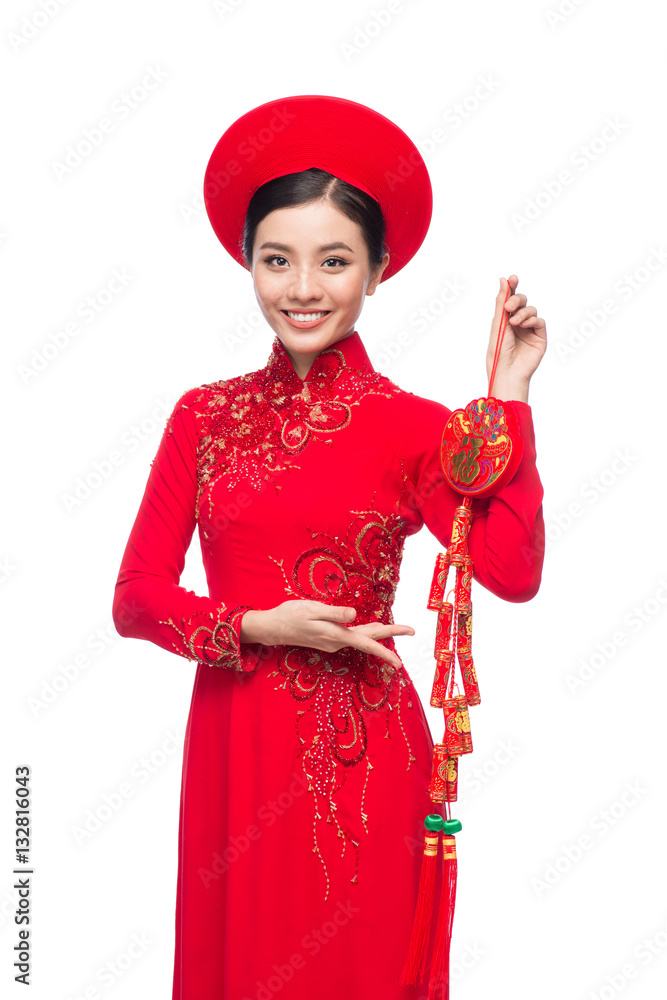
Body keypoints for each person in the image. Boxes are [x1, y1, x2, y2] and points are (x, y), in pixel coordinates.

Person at [112, 94, 546, 1000]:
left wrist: (508, 399)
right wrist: (258, 626)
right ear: (249, 264)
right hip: (234, 745)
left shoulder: (415, 428)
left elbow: (511, 572)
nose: (301, 288)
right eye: (277, 260)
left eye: (333, 261)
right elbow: (137, 597)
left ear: (377, 272)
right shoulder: (204, 416)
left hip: (362, 761)